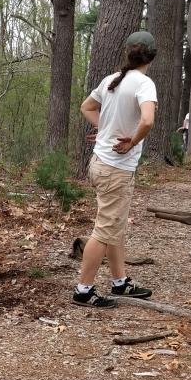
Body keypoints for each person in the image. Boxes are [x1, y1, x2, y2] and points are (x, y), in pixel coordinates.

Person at [73, 31, 158, 308]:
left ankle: (120, 283)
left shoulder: (111, 80)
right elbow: (147, 121)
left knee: (114, 227)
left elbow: (87, 107)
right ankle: (83, 291)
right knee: (104, 230)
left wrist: (104, 129)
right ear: (152, 56)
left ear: (127, 53)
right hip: (115, 169)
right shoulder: (144, 84)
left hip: (99, 164)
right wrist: (132, 140)